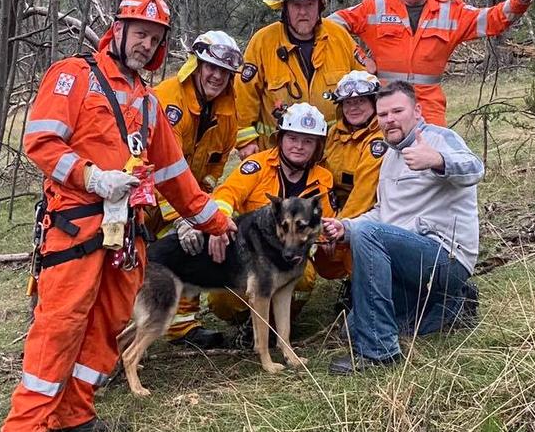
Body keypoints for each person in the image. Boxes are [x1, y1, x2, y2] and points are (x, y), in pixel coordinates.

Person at [3, 0, 234, 431]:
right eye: (141, 34)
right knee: (60, 326)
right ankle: (27, 424)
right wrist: (93, 178)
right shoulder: (74, 75)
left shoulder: (148, 103)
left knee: (106, 325)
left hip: (126, 234)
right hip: (74, 228)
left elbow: (175, 175)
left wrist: (217, 220)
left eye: (155, 38)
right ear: (120, 29)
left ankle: (75, 414)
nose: (146, 44)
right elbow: (42, 142)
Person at [323, 80, 484, 374]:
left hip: (444, 258)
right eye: (383, 115)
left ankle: (379, 352)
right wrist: (345, 227)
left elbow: (475, 168)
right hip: (407, 263)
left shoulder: (438, 139)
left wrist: (437, 160)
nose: (389, 119)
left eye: (397, 111)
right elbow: (384, 213)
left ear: (417, 111)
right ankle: (452, 307)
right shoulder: (390, 157)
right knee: (354, 326)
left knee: (369, 238)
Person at [328, 0, 535, 127]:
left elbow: (493, 19)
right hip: (383, 106)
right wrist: (360, 58)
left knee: (431, 169)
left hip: (428, 109)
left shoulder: (450, 11)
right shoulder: (374, 7)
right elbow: (331, 24)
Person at [180, 103, 334, 347]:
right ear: (281, 138)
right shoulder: (257, 165)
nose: (299, 146)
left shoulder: (322, 179)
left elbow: (322, 225)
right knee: (223, 299)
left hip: (290, 256)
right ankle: (246, 323)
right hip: (250, 254)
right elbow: (226, 194)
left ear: (317, 147)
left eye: (308, 141)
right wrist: (218, 226)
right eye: (292, 138)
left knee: (304, 278)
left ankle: (275, 325)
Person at [150, 31, 243, 349]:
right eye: (210, 67)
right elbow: (159, 165)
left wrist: (199, 210)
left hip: (184, 199)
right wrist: (180, 217)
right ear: (196, 65)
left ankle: (181, 325)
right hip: (145, 194)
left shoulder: (228, 115)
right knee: (129, 260)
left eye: (224, 71)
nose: (216, 76)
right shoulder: (168, 99)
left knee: (195, 241)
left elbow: (213, 171)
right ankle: (117, 331)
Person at [235, 0, 367, 158]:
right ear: (284, 8)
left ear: (320, 6)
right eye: (296, 5)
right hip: (276, 155)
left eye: (310, 4)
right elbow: (243, 97)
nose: (303, 12)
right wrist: (246, 141)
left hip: (333, 153)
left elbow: (365, 85)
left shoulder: (340, 38)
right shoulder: (263, 42)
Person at [313, 71, 385, 312]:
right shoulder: (334, 135)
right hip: (337, 210)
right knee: (324, 258)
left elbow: (364, 193)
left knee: (359, 242)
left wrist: (339, 228)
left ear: (374, 102)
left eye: (361, 101)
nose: (354, 108)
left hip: (371, 212)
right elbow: (319, 178)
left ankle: (364, 289)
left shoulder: (378, 140)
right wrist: (324, 223)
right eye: (348, 103)